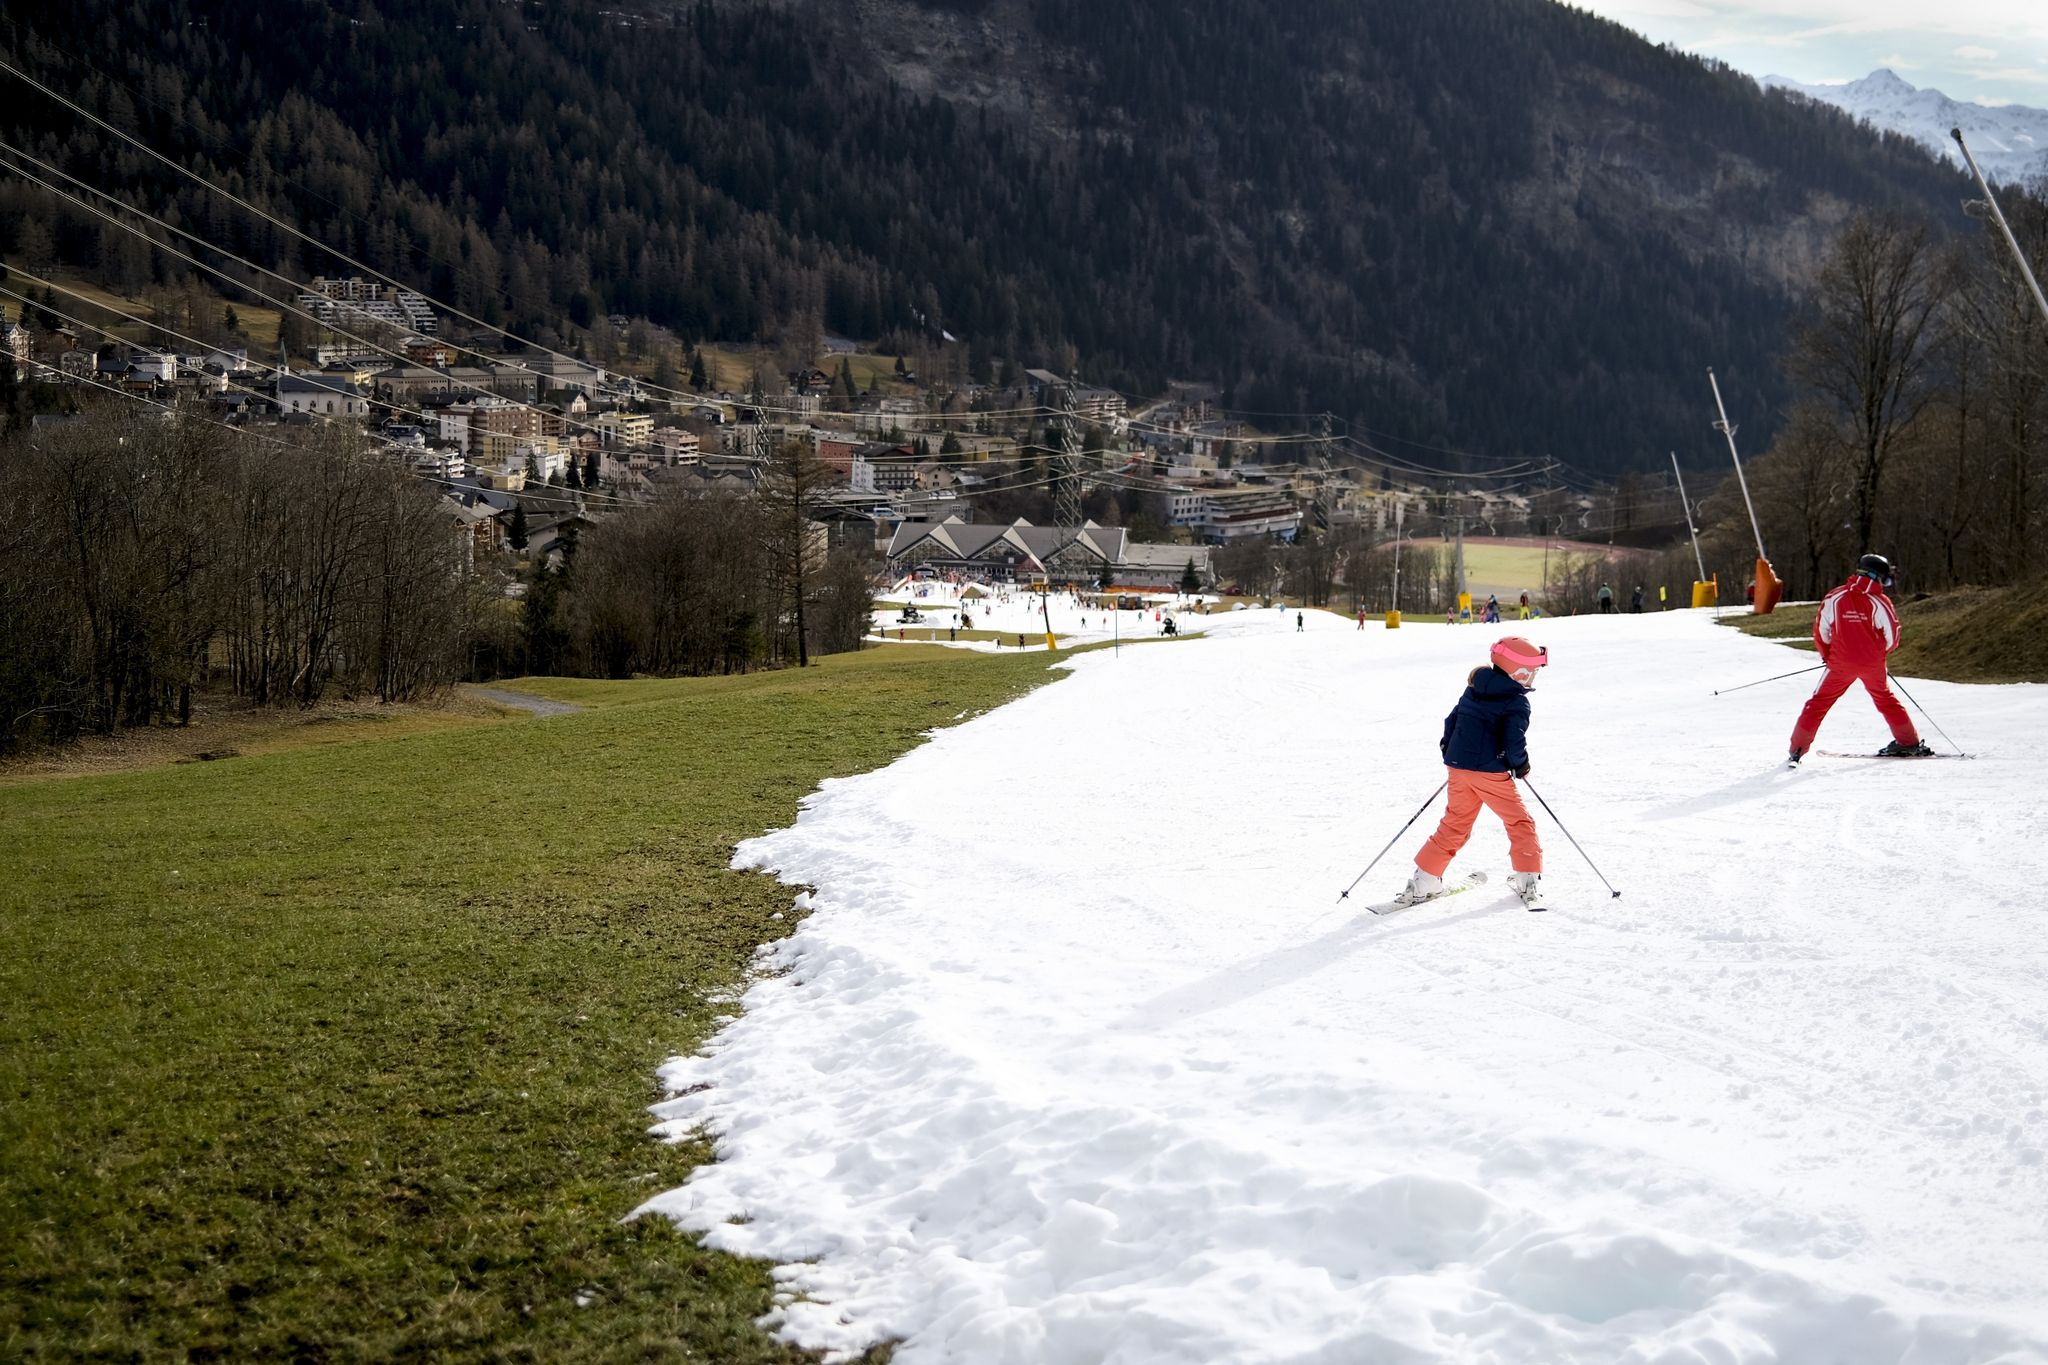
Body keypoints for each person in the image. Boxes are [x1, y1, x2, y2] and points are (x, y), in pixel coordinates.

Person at [1399, 636, 1549, 910]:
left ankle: (1424, 882)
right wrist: (1521, 764)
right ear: (1518, 671)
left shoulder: (1473, 689)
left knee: (1455, 824)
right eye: (1533, 672)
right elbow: (1513, 739)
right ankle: (1527, 879)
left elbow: (1452, 722)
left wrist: (1451, 753)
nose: (1533, 678)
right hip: (1490, 772)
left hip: (1459, 768)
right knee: (1519, 822)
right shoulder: (1516, 701)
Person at [1787, 554, 1932, 762]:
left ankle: (1797, 749)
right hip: (1873, 664)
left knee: (1818, 703)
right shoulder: (1880, 601)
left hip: (1840, 663)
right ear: (1877, 577)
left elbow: (1821, 631)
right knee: (1885, 699)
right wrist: (1878, 654)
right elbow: (1893, 635)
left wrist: (1828, 655)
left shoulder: (1835, 597)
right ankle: (1908, 742)